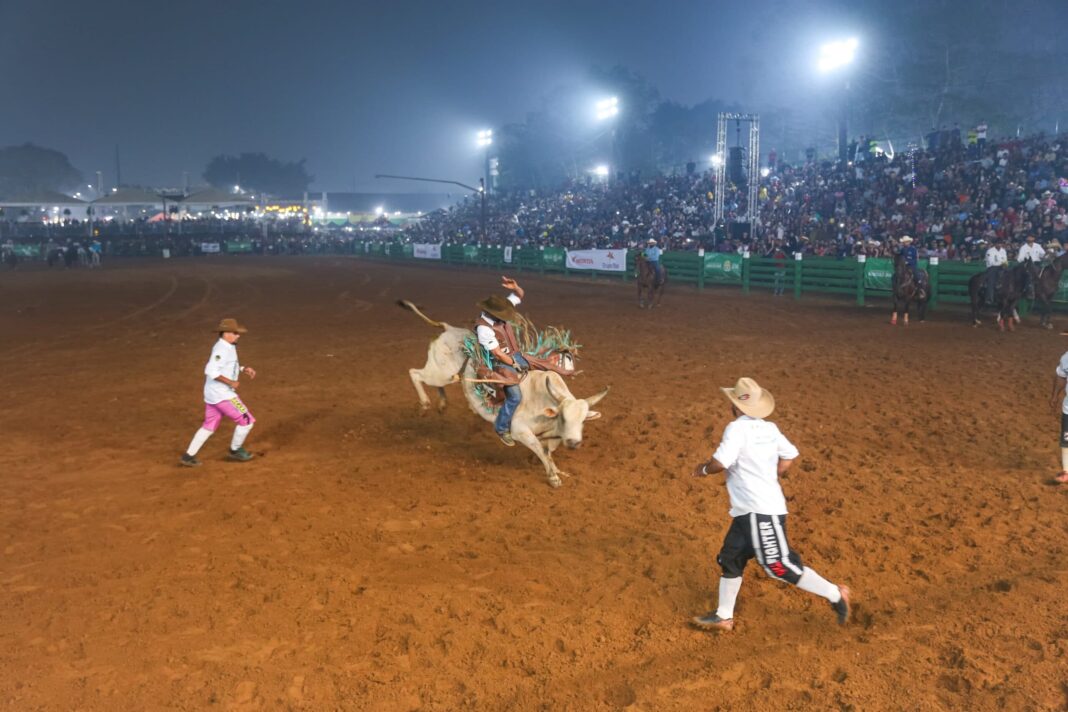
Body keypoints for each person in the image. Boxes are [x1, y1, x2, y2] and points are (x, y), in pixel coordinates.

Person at [690, 377, 852, 632]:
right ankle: (723, 616)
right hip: (750, 512)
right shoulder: (771, 428)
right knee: (731, 557)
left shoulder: (736, 429)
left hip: (759, 512)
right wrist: (772, 474)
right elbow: (789, 455)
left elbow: (720, 462)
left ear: (735, 407)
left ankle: (835, 593)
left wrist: (702, 469)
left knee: (778, 565)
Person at [179, 318, 258, 467]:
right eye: (235, 333)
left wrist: (243, 369)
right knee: (247, 421)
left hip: (212, 395)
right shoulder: (222, 349)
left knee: (209, 426)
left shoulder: (229, 345)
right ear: (226, 333)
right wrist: (231, 382)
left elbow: (228, 365)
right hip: (223, 395)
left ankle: (188, 456)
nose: (238, 335)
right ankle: (235, 450)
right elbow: (211, 371)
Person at [475, 277, 527, 447]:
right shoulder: (484, 328)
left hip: (514, 354)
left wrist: (516, 287)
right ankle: (501, 427)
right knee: (515, 397)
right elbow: (497, 353)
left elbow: (519, 296)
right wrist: (514, 363)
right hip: (500, 362)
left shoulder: (501, 306)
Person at [1050, 340, 1068, 484]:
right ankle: (1066, 471)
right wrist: (1055, 396)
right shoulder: (1066, 358)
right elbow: (1061, 378)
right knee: (1066, 439)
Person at [1016, 234, 1045, 299]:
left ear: (1033, 238)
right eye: (1028, 237)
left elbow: (1043, 254)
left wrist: (1047, 254)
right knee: (1029, 275)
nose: (1030, 238)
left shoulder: (1038, 246)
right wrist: (1025, 261)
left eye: (1031, 237)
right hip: (1028, 264)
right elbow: (1020, 259)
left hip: (1037, 263)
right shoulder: (1023, 247)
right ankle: (1028, 290)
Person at [984, 239, 1009, 305]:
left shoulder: (1003, 251)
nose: (999, 245)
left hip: (1002, 267)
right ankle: (989, 299)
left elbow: (1005, 260)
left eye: (1000, 243)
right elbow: (991, 262)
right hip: (992, 268)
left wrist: (1004, 264)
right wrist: (1001, 263)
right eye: (998, 243)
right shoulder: (990, 251)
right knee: (991, 282)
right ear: (995, 244)